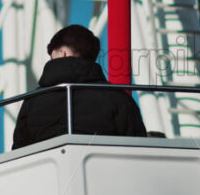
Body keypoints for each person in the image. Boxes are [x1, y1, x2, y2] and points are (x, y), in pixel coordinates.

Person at [12, 24, 146, 149]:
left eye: (52, 56)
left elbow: (19, 150)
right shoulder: (118, 97)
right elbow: (138, 146)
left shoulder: (32, 101)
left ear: (63, 52)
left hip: (45, 170)